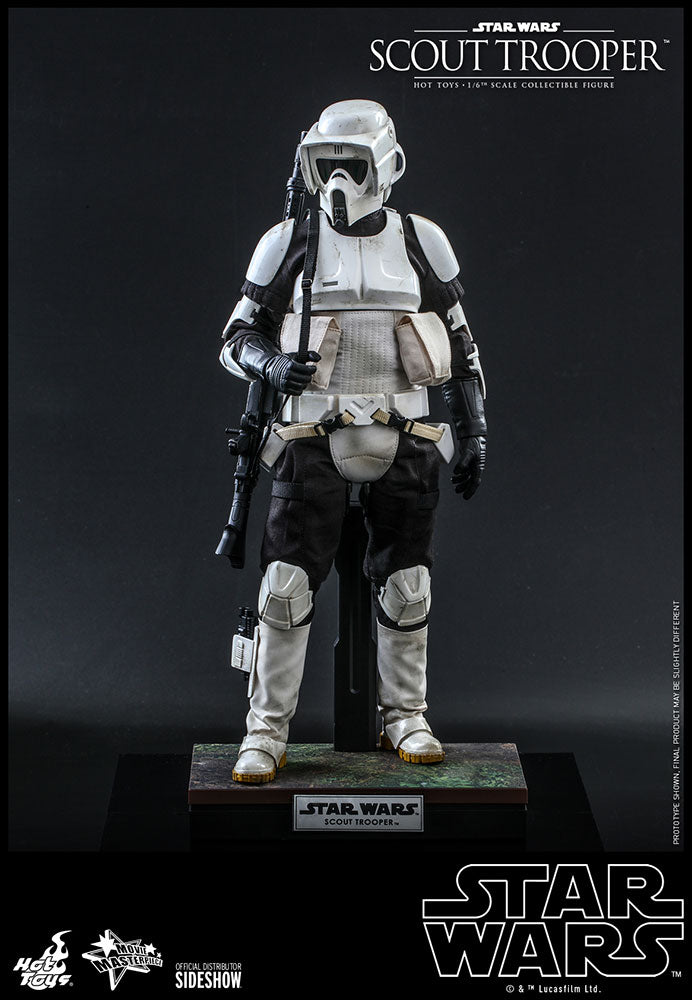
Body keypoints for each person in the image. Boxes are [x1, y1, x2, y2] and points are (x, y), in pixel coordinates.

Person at [219, 99, 487, 783]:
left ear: (387, 165)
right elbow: (237, 337)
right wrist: (272, 364)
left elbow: (461, 345)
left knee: (408, 586)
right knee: (285, 588)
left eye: (353, 165)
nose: (338, 181)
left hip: (407, 435)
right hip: (312, 436)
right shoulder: (289, 241)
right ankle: (266, 730)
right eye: (325, 165)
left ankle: (407, 716)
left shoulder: (421, 240)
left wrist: (475, 430)